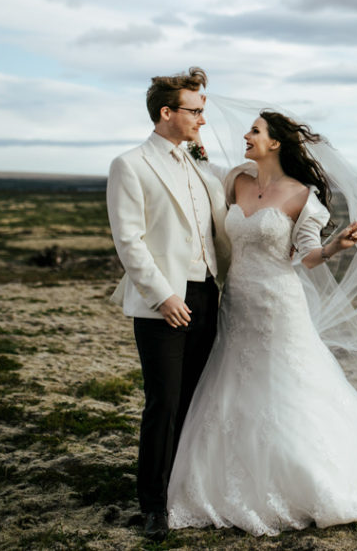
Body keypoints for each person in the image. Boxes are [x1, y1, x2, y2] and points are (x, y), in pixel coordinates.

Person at [167, 110, 357, 536]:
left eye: (255, 131)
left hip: (278, 304)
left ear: (276, 143)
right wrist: (193, 149)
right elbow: (204, 191)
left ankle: (305, 474)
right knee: (231, 382)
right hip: (236, 301)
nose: (246, 136)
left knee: (286, 383)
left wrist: (334, 247)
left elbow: (304, 256)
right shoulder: (236, 180)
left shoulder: (303, 196)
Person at [106, 67, 231, 542]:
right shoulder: (130, 164)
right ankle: (154, 504)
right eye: (195, 111)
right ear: (166, 112)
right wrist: (163, 296)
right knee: (164, 403)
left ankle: (187, 490)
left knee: (197, 401)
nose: (202, 119)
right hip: (164, 301)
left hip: (208, 294)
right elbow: (129, 240)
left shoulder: (199, 164)